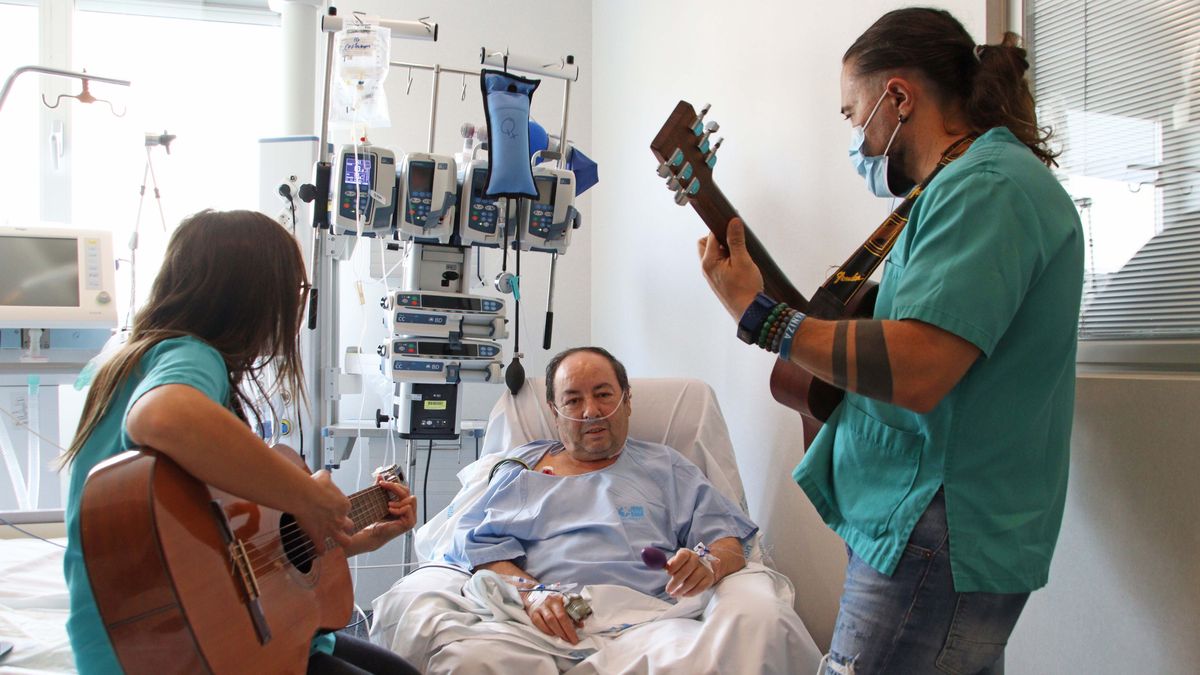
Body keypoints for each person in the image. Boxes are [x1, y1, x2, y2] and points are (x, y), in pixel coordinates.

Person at [697, 8, 1084, 675]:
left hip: (936, 529)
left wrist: (758, 315)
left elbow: (917, 368)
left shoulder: (985, 189)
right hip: (928, 527)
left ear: (897, 97)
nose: (855, 139)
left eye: (853, 114)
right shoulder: (959, 190)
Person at [58, 210, 420, 675]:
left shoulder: (126, 362)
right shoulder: (189, 355)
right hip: (179, 648)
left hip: (160, 636)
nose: (298, 307)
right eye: (297, 292)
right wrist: (307, 495)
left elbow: (226, 551)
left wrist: (347, 539)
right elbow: (161, 415)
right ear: (250, 295)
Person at [374, 346, 820, 674]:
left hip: (649, 620)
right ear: (554, 411)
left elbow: (728, 541)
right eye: (573, 400)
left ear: (627, 400)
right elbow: (480, 548)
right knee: (471, 662)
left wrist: (706, 563)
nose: (592, 412)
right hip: (540, 623)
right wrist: (533, 594)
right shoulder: (521, 469)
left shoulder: (665, 467)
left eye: (604, 394)